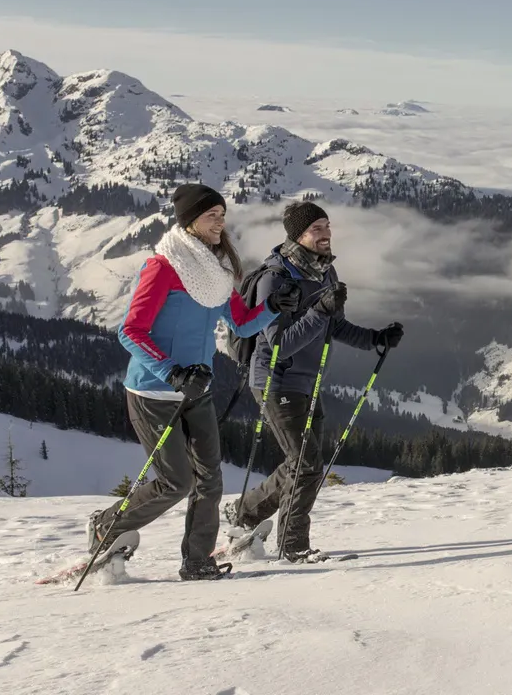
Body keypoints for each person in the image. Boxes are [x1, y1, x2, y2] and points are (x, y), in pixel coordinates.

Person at [90, 183, 302, 581]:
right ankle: (106, 526)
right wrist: (172, 371)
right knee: (175, 481)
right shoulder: (163, 267)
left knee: (210, 480)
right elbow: (130, 332)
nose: (220, 222)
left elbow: (240, 322)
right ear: (189, 222)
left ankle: (198, 560)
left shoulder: (216, 272)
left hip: (196, 391)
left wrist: (272, 308)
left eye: (222, 215)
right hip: (154, 391)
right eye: (212, 215)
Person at [223, 201, 404, 563]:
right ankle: (293, 546)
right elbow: (280, 345)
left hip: (308, 381)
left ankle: (243, 512)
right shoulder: (276, 279)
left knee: (301, 461)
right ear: (297, 235)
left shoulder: (324, 273)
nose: (326, 234)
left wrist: (374, 339)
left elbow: (332, 326)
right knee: (306, 463)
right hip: (276, 381)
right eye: (316, 229)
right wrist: (319, 310)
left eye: (327, 226)